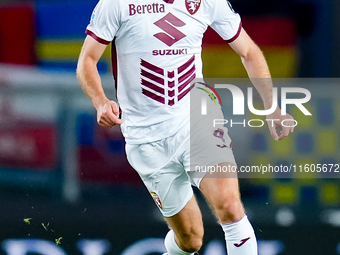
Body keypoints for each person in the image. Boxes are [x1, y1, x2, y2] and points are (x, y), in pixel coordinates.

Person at [76, 0, 294, 254]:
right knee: (190, 240)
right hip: (146, 138)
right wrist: (101, 102)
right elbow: (87, 60)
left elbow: (248, 52)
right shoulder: (117, 4)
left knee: (230, 206)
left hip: (196, 120)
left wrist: (271, 106)